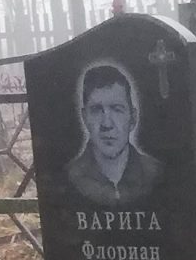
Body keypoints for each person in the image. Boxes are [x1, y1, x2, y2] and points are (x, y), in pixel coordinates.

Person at [63, 62, 164, 206]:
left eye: (117, 109)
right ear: (84, 118)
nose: (107, 124)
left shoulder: (156, 173)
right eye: (96, 110)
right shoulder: (69, 176)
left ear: (133, 118)